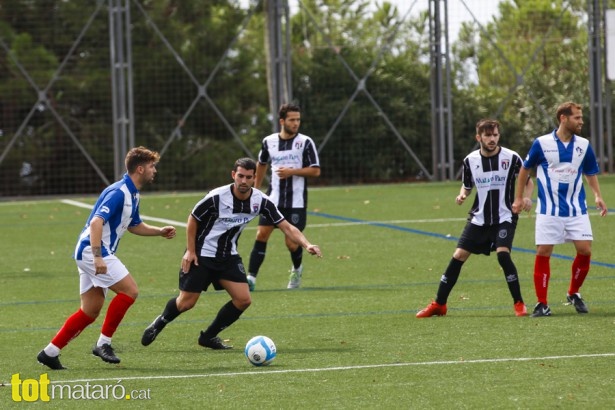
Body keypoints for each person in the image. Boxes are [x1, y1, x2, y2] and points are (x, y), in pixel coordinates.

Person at [141, 158, 322, 349]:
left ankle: (208, 337)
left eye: (248, 177)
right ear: (233, 175)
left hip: (228, 256)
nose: (243, 181)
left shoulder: (260, 201)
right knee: (186, 303)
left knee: (243, 300)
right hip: (202, 254)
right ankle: (160, 322)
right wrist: (190, 252)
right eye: (240, 176)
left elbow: (286, 226)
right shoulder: (217, 197)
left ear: (254, 178)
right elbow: (193, 219)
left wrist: (306, 244)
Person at [37, 147, 177, 370]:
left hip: (91, 252)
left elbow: (135, 225)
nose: (154, 170)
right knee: (130, 291)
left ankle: (50, 352)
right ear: (140, 169)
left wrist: (159, 231)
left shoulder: (133, 193)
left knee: (90, 311)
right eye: (151, 166)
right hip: (92, 251)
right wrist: (98, 256)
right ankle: (104, 343)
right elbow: (96, 223)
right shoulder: (118, 192)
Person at [416, 119, 534, 318]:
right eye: (488, 135)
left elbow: (528, 182)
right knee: (458, 256)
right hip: (479, 218)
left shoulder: (512, 157)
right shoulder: (470, 160)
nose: (492, 139)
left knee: (503, 254)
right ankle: (439, 304)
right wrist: (463, 194)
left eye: (495, 135)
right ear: (478, 137)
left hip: (505, 216)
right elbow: (467, 185)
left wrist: (526, 197)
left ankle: (519, 303)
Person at [512, 102, 607, 317]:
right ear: (563, 118)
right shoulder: (542, 143)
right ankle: (542, 303)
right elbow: (525, 170)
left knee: (585, 250)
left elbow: (590, 171)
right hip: (548, 210)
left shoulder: (583, 145)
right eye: (577, 117)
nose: (581, 121)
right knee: (543, 252)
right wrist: (519, 198)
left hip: (577, 209)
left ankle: (574, 292)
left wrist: (597, 195)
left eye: (581, 117)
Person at [246, 103, 321, 290]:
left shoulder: (305, 142)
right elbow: (261, 163)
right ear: (282, 121)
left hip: (296, 201)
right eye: (292, 120)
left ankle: (297, 269)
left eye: (298, 120)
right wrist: (255, 190)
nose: (296, 123)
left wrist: (292, 171)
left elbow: (315, 171)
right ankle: (251, 278)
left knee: (291, 242)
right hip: (273, 199)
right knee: (261, 234)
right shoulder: (269, 141)